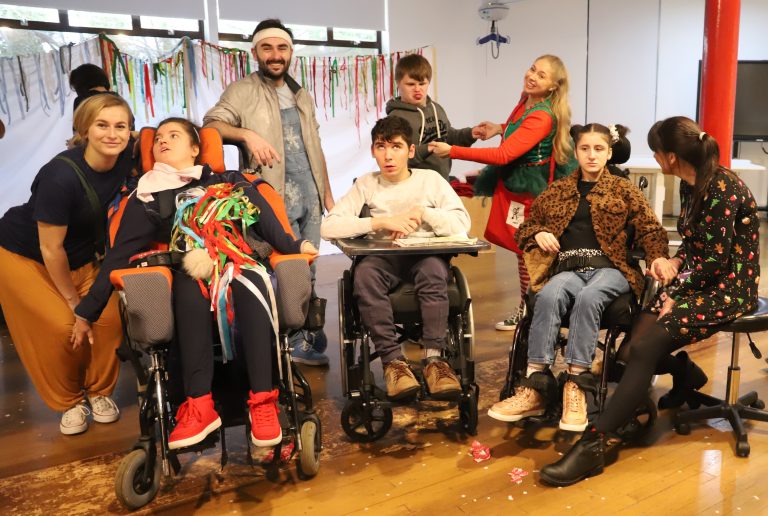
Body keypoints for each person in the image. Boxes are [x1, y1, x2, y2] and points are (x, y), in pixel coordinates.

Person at [539, 116, 760, 487]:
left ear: (670, 157)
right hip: (700, 280)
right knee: (628, 354)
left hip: (729, 288)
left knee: (644, 351)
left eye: (657, 153)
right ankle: (685, 373)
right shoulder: (692, 184)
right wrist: (675, 261)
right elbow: (694, 245)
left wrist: (675, 293)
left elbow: (716, 263)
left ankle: (595, 445)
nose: (655, 158)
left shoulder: (723, 188)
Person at [73, 117, 319, 449]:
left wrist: (295, 246)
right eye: (158, 137)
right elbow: (118, 257)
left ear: (195, 148)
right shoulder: (146, 197)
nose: (162, 141)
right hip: (186, 270)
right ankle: (199, 404)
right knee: (189, 291)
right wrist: (86, 312)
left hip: (238, 261)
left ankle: (263, 403)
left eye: (173, 135)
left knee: (250, 282)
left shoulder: (230, 180)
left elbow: (268, 222)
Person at [486, 123, 670, 432]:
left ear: (609, 153)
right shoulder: (558, 190)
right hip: (569, 267)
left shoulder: (623, 190)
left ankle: (576, 384)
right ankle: (535, 386)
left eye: (599, 149)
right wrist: (540, 232)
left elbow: (651, 230)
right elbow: (526, 228)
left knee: (589, 297)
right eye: (585, 149)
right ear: (577, 152)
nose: (592, 155)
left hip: (612, 268)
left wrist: (658, 257)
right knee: (547, 295)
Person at [0, 94, 134, 435]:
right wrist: (76, 306)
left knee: (107, 319)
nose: (112, 134)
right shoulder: (60, 177)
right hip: (24, 255)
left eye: (121, 126)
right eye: (102, 125)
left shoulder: (124, 158)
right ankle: (69, 401)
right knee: (64, 326)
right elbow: (51, 248)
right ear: (84, 129)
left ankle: (100, 392)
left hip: (82, 256)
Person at [203, 18, 333, 367]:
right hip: (271, 194)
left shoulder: (300, 92)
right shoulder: (242, 91)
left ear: (291, 52)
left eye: (282, 48)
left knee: (310, 266)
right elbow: (210, 125)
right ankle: (286, 342)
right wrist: (247, 135)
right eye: (268, 48)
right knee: (279, 267)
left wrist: (328, 193)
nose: (276, 55)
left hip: (310, 195)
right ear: (255, 52)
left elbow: (314, 146)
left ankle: (305, 328)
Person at [321, 116, 470, 400]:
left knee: (434, 271)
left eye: (397, 147)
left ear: (411, 151)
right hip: (383, 260)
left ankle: (435, 361)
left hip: (423, 257)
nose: (388, 155)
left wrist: (424, 213)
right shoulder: (367, 184)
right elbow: (329, 227)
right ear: (373, 151)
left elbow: (462, 223)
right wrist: (380, 223)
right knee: (364, 275)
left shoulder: (431, 180)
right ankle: (394, 363)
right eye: (381, 147)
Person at [429, 55, 576, 332]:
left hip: (532, 190)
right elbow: (518, 133)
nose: (532, 76)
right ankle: (528, 310)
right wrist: (500, 128)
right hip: (517, 184)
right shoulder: (527, 100)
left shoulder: (543, 115)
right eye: (532, 68)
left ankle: (534, 312)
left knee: (530, 253)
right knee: (523, 252)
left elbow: (504, 153)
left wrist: (454, 151)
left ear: (554, 86)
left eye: (541, 75)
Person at [385, 53, 484, 180]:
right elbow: (397, 158)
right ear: (398, 83)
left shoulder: (436, 108)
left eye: (422, 83)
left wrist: (470, 133)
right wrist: (428, 148)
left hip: (441, 181)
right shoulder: (395, 118)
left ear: (428, 82)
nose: (417, 89)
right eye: (410, 84)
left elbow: (448, 136)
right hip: (413, 186)